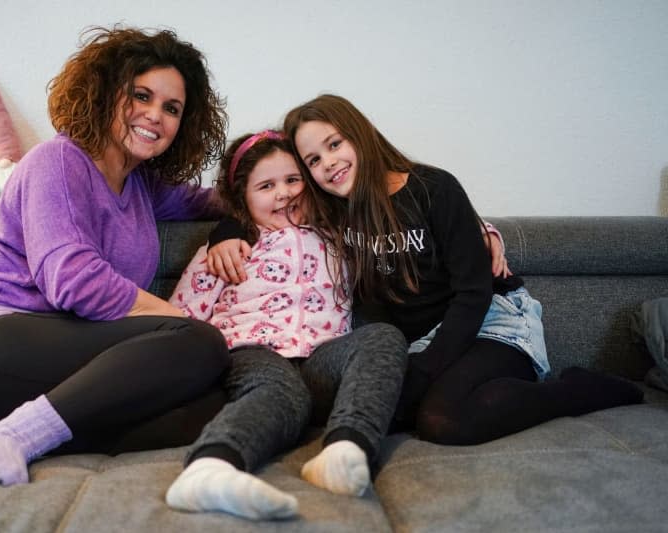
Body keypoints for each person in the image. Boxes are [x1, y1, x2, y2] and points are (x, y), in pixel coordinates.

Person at [210, 94, 643, 447]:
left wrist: (427, 366)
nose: (329, 163)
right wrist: (224, 232)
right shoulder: (335, 213)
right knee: (370, 414)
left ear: (361, 135)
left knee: (442, 422)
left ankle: (577, 390)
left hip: (491, 322)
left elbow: (474, 294)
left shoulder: (433, 188)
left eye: (335, 144)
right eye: (313, 160)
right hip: (421, 343)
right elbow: (256, 202)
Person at [0, 26, 232, 486]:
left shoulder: (143, 186)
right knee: (201, 344)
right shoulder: (57, 162)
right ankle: (17, 439)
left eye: (171, 108)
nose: (154, 115)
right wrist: (179, 322)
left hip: (63, 369)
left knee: (209, 406)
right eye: (140, 95)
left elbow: (217, 201)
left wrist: (259, 208)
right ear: (104, 93)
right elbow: (74, 281)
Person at [163, 131, 408, 520]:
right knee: (282, 392)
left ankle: (346, 448)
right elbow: (179, 319)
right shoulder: (226, 250)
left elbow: (407, 228)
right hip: (252, 354)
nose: (283, 194)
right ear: (242, 197)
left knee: (383, 337)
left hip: (323, 360)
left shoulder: (341, 238)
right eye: (266, 185)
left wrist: (483, 232)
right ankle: (209, 467)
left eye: (293, 180)